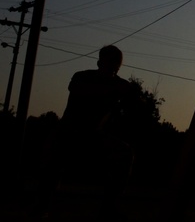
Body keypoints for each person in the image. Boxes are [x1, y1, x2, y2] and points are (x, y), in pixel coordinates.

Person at [33, 45, 137, 218]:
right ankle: (42, 204)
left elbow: (134, 107)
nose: (113, 66)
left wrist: (131, 96)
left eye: (116, 64)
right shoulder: (82, 77)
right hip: (68, 130)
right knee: (52, 159)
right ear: (99, 62)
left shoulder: (120, 84)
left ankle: (108, 206)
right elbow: (79, 89)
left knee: (126, 154)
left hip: (93, 134)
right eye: (110, 62)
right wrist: (114, 90)